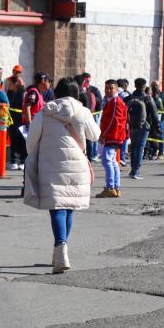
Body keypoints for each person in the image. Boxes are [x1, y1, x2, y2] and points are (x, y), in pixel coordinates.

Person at [23, 77, 100, 274]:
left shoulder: (46, 111)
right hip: (77, 166)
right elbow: (95, 135)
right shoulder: (82, 112)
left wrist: (35, 153)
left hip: (51, 164)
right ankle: (61, 249)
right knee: (69, 206)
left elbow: (31, 140)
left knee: (57, 206)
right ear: (76, 94)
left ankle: (60, 247)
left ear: (56, 93)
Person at [96, 80, 127, 198]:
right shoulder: (113, 101)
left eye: (111, 88)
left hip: (112, 135)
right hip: (115, 135)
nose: (108, 90)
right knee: (113, 162)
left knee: (107, 161)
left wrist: (104, 134)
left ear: (116, 89)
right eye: (107, 88)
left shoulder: (115, 102)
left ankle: (110, 187)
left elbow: (114, 120)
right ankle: (116, 187)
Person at [125, 78, 158, 180]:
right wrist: (157, 127)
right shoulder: (148, 98)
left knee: (134, 147)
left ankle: (132, 170)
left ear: (135, 85)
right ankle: (136, 171)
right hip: (144, 126)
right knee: (140, 148)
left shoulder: (130, 97)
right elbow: (154, 113)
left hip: (132, 125)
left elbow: (123, 105)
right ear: (144, 87)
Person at [6, 75, 27, 169]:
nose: (9, 85)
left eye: (10, 84)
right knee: (13, 139)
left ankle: (23, 161)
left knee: (22, 139)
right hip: (11, 118)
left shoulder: (22, 92)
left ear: (16, 84)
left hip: (20, 118)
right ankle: (13, 160)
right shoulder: (9, 93)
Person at [149, 80, 164, 160]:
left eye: (156, 85)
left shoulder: (163, 95)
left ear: (160, 85)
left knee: (160, 135)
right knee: (152, 136)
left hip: (159, 119)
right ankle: (153, 152)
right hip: (151, 119)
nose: (155, 87)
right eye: (153, 85)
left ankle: (161, 152)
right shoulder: (150, 95)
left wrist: (163, 116)